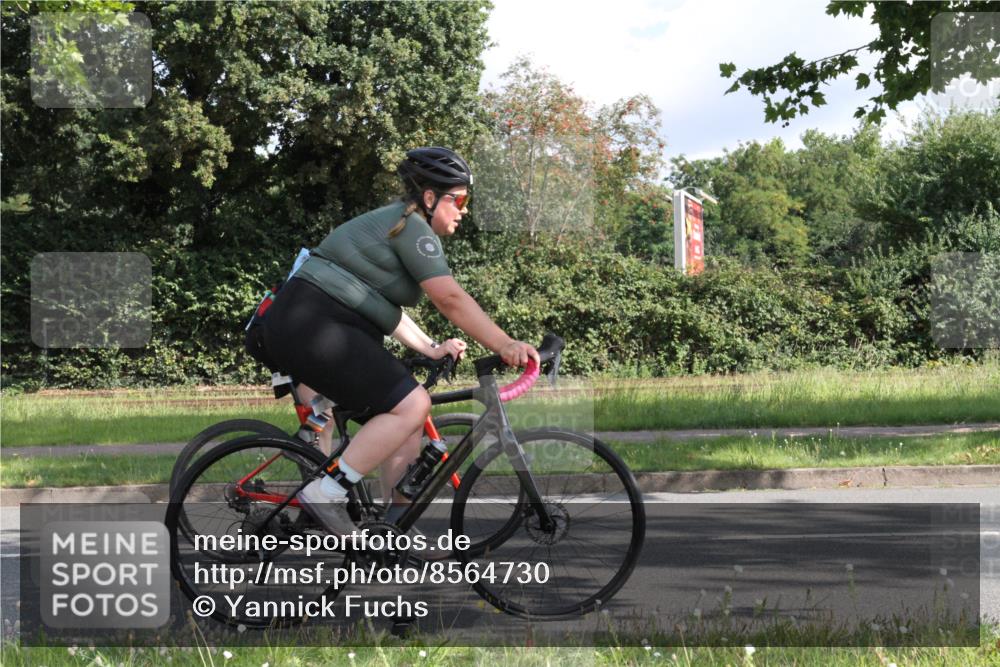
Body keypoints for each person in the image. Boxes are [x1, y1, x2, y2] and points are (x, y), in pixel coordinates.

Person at [260, 146, 540, 536]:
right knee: (413, 403)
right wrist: (505, 343)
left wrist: (430, 348)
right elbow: (450, 299)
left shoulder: (399, 226)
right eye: (458, 199)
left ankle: (391, 531)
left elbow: (384, 312)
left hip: (317, 323)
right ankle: (325, 493)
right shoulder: (412, 227)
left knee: (408, 421)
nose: (464, 209)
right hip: (311, 322)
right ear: (430, 198)